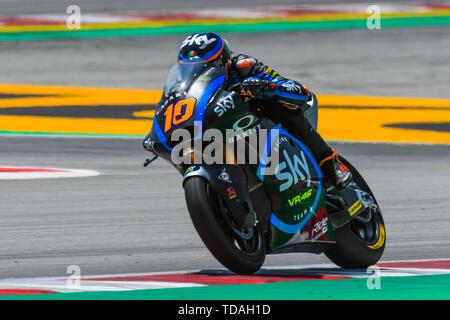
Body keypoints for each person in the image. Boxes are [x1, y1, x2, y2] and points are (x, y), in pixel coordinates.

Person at [176, 32, 351, 188]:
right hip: (229, 130)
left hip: (265, 124)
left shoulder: (244, 66)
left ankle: (331, 163)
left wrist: (267, 87)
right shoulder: (185, 88)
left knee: (283, 106)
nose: (200, 74)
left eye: (208, 67)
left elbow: (299, 91)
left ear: (223, 61)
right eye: (189, 69)